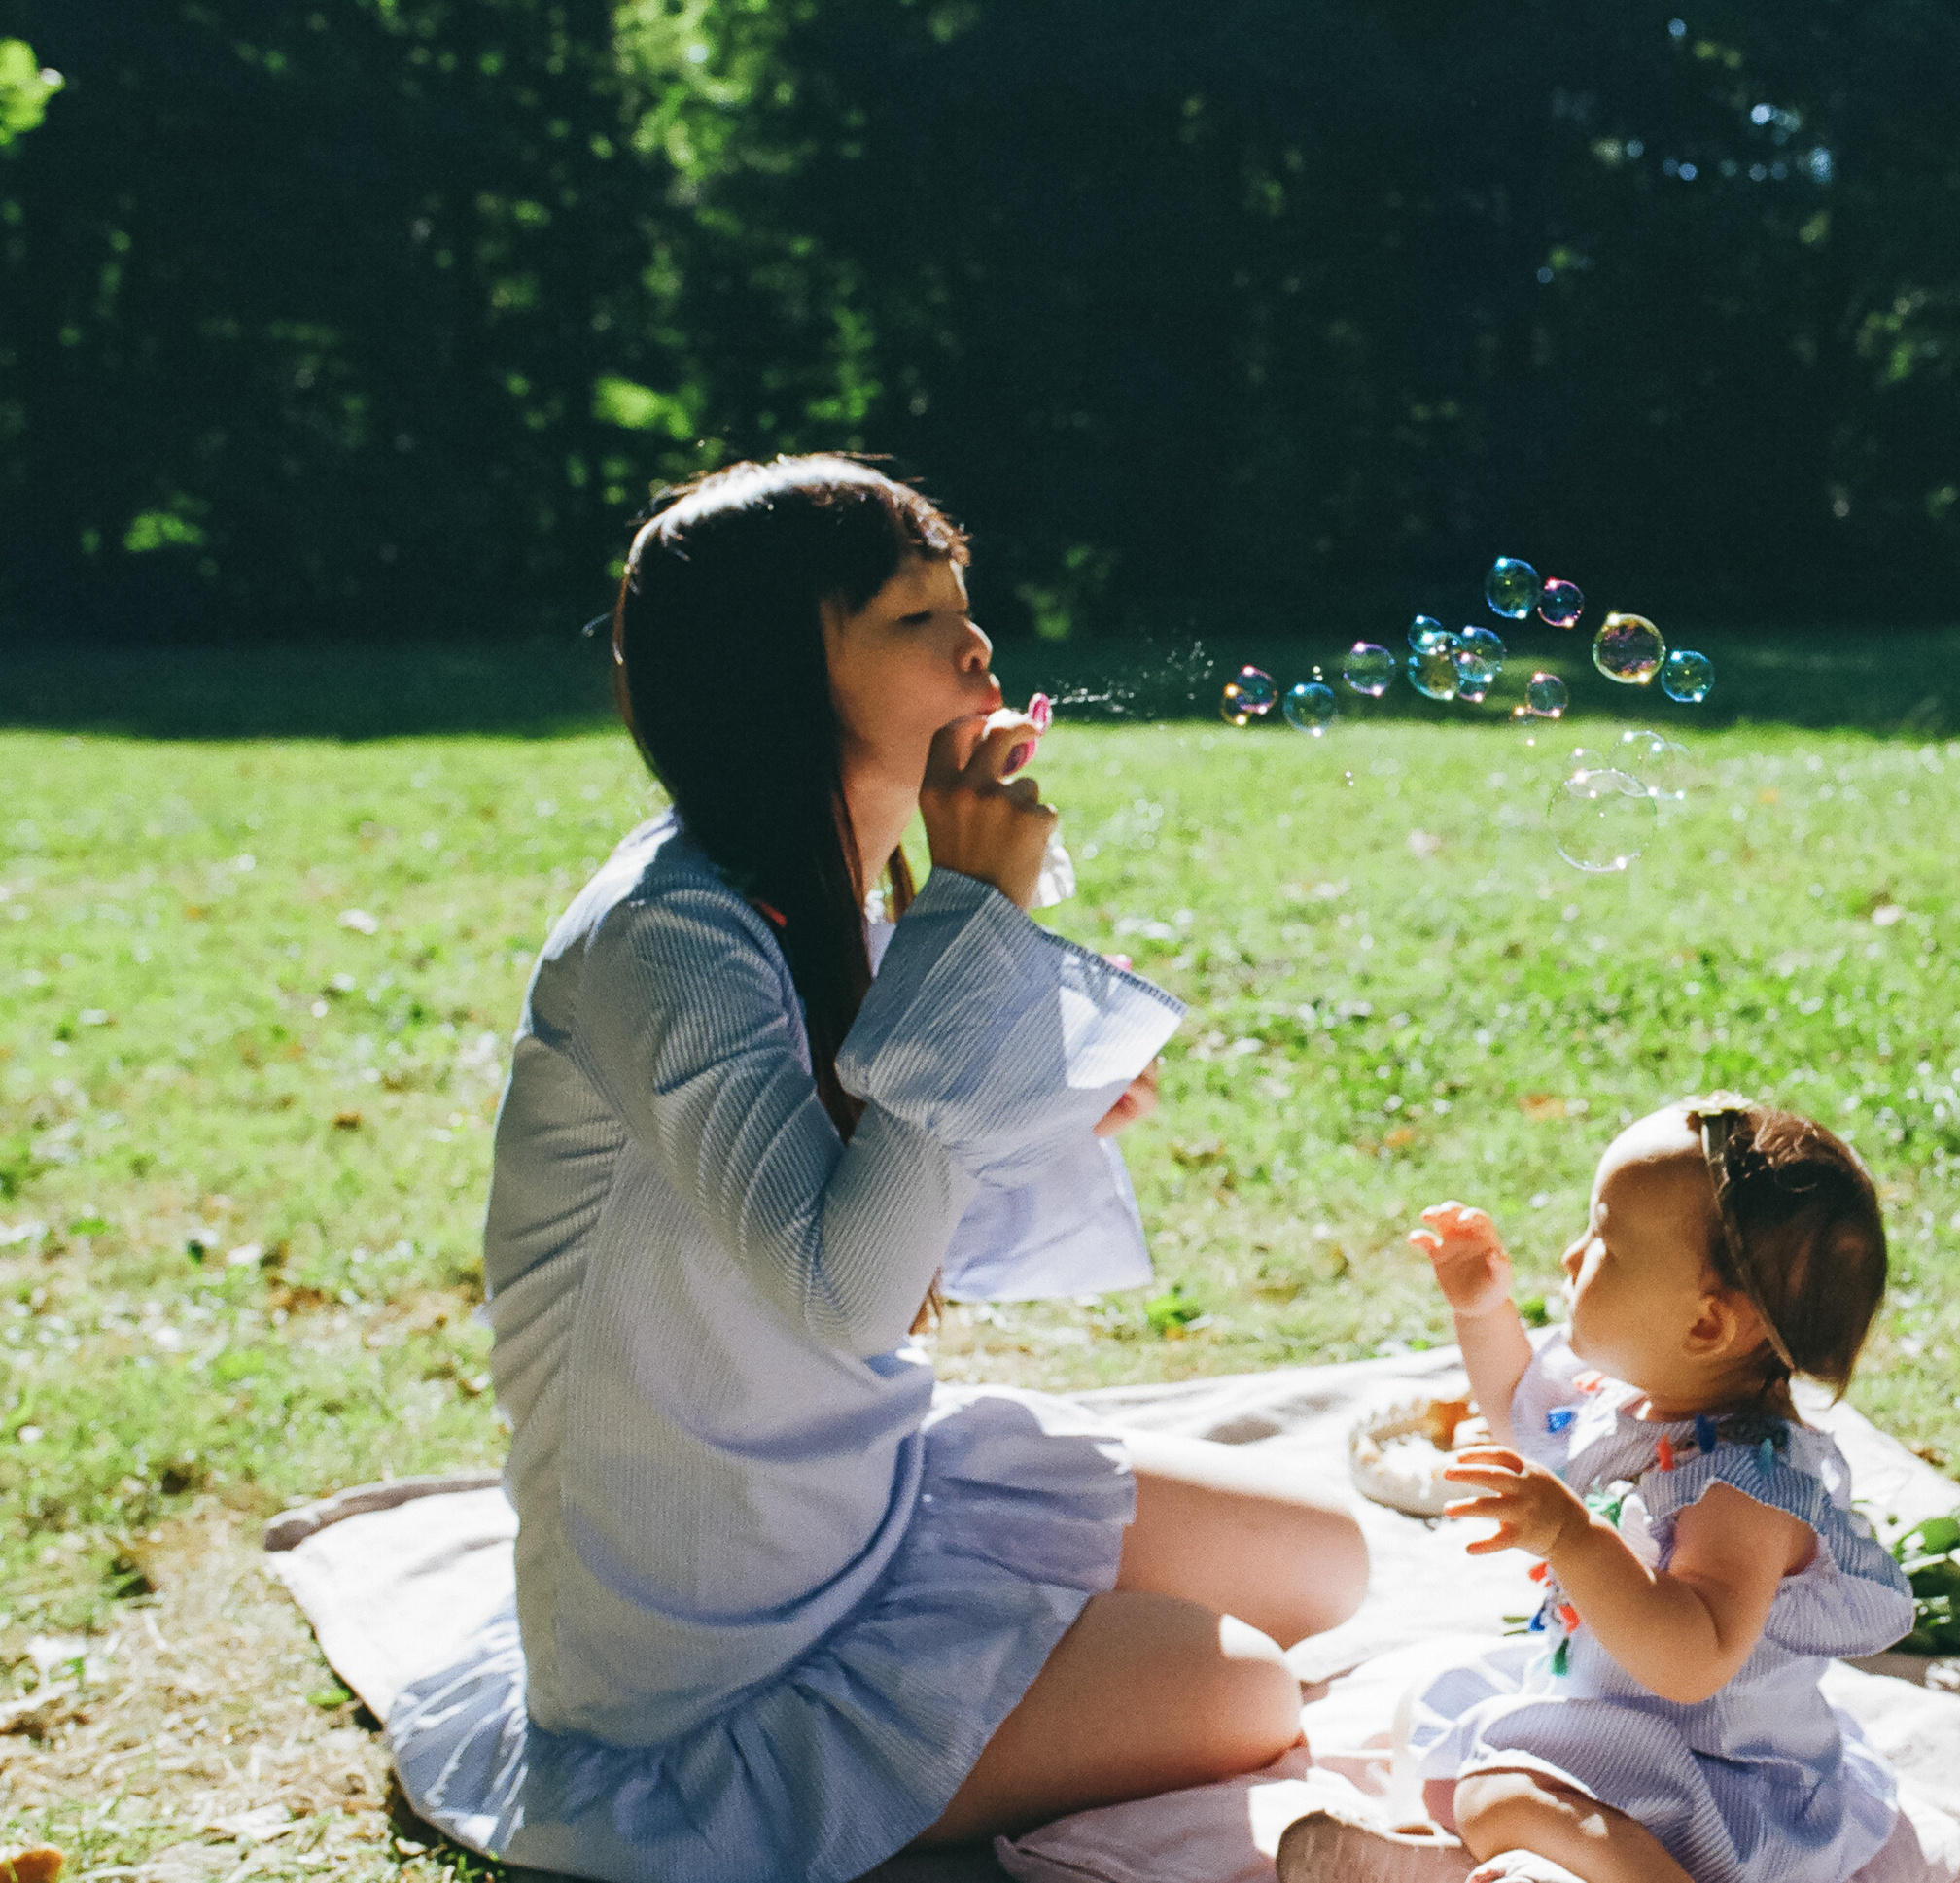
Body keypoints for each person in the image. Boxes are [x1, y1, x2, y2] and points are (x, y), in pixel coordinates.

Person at [386, 454, 1369, 1881]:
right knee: (1240, 1687)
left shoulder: (824, 887)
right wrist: (970, 915)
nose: (976, 644)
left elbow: (905, 1226)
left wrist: (1035, 1105)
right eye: (915, 618)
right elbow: (848, 1291)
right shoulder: (671, 938)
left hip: (866, 1490)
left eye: (962, 606)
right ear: (779, 672)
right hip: (721, 1632)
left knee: (1323, 1562)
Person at [1280, 1095, 1911, 1883]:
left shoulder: (1744, 1489)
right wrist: (1482, 1308)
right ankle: (1501, 1862)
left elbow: (1692, 1660)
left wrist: (1574, 1539)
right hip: (1616, 1716)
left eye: (1606, 1240)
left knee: (1494, 1792)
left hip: (1707, 1772)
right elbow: (1520, 1410)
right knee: (1436, 1709)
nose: (1573, 1255)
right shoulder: (1629, 1399)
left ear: (1708, 1326)